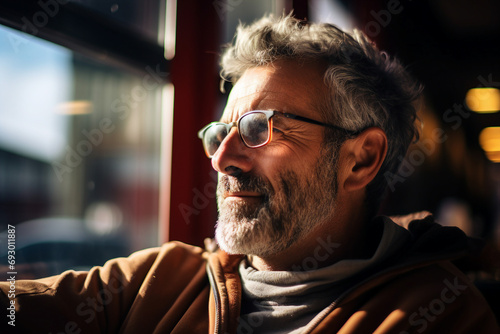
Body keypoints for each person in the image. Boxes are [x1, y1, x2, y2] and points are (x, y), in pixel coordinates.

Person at [1, 13, 499, 334]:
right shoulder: (163, 281)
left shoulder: (439, 314)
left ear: (360, 159)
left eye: (260, 129)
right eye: (220, 134)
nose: (222, 160)